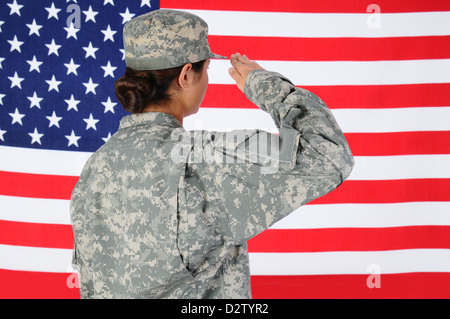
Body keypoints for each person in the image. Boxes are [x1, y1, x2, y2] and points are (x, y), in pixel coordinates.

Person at [70, 9, 354, 299]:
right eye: (205, 68)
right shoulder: (203, 159)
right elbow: (328, 155)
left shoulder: (95, 168)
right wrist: (265, 86)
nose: (206, 79)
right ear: (185, 75)